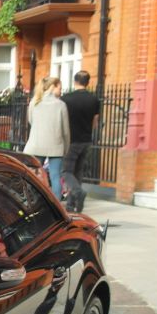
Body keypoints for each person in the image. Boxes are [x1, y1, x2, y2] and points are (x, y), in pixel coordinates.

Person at [22, 76, 69, 198]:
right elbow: (65, 131)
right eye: (60, 87)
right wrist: (66, 147)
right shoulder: (61, 105)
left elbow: (31, 121)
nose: (61, 91)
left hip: (37, 144)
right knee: (55, 177)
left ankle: (32, 202)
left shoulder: (34, 102)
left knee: (34, 176)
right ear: (53, 87)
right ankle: (57, 209)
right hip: (56, 146)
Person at [61, 70, 100, 212]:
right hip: (86, 140)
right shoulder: (94, 99)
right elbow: (95, 121)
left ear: (74, 81)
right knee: (78, 172)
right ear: (88, 82)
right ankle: (71, 205)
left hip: (71, 140)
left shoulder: (66, 99)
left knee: (65, 171)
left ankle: (78, 192)